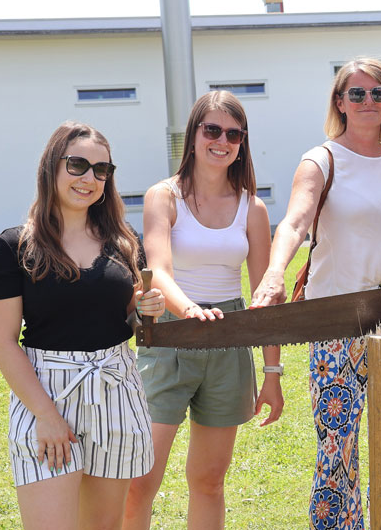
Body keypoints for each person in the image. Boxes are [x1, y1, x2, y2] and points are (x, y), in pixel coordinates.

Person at [250, 57, 381, 530]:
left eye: (378, 93)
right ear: (340, 102)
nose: (369, 101)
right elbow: (296, 221)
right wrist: (274, 273)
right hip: (337, 324)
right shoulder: (321, 159)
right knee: (337, 450)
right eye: (357, 93)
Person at [0, 121, 165, 530]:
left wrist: (147, 311)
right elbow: (2, 342)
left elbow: (130, 321)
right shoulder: (14, 246)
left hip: (116, 392)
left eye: (102, 170)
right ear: (52, 167)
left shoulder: (124, 242)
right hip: (48, 394)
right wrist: (46, 416)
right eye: (78, 165)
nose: (90, 178)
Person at [123, 91, 282, 530]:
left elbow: (265, 296)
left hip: (228, 341)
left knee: (209, 481)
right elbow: (158, 268)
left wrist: (272, 374)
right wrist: (190, 309)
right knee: (139, 482)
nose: (222, 140)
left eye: (233, 133)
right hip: (171, 337)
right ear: (193, 136)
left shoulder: (253, 207)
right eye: (212, 129)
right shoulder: (164, 196)